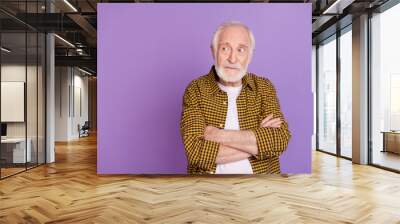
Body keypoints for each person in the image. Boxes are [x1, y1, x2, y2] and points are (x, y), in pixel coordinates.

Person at [180, 21, 291, 174]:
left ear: (250, 55)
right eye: (225, 48)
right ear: (213, 51)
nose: (232, 59)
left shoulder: (264, 87)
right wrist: (258, 140)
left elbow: (279, 140)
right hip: (207, 190)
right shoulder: (196, 89)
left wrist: (217, 135)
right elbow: (196, 152)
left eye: (241, 50)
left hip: (262, 188)